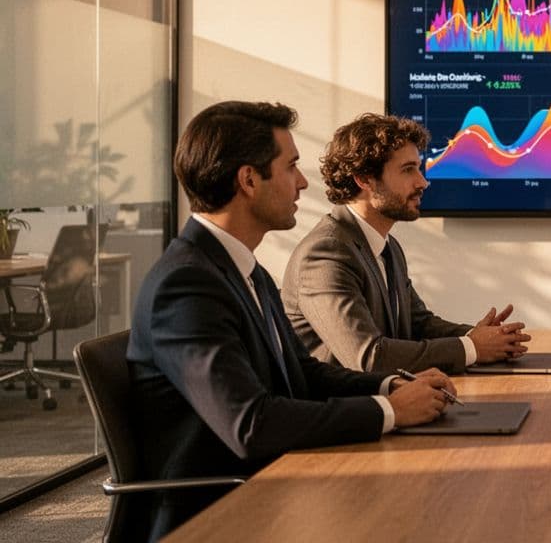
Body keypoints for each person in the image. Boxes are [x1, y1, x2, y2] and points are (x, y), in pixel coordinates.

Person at [126, 102, 455, 541]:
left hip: (276, 480)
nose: (302, 182)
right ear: (248, 180)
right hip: (220, 514)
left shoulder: (246, 270)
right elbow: (251, 424)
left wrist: (389, 386)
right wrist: (391, 411)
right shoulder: (186, 285)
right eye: (291, 166)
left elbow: (302, 372)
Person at [282, 113, 530, 374]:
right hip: (349, 398)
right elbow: (369, 356)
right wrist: (472, 347)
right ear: (364, 179)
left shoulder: (387, 247)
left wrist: (483, 337)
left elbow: (418, 324)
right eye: (408, 169)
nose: (423, 182)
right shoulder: (326, 254)